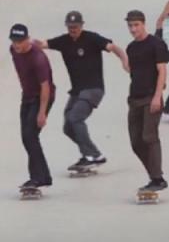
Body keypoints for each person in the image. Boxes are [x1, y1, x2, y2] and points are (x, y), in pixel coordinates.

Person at [35, 11, 129, 170]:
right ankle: (94, 154)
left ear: (82, 25)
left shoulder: (92, 38)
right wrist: (27, 42)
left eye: (76, 27)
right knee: (68, 127)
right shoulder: (63, 41)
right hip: (77, 91)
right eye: (70, 27)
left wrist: (124, 61)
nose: (73, 30)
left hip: (93, 88)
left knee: (75, 118)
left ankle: (90, 156)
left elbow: (114, 48)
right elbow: (42, 44)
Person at [125, 10, 169, 191]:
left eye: (136, 25)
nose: (133, 29)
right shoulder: (131, 48)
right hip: (134, 98)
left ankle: (157, 178)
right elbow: (133, 72)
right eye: (130, 26)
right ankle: (155, 175)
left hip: (152, 97)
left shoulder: (156, 44)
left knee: (149, 137)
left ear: (144, 24)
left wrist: (157, 96)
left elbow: (162, 71)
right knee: (136, 142)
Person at [9, 24, 56, 189]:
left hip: (43, 97)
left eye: (20, 41)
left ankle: (39, 177)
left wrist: (42, 113)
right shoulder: (13, 50)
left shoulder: (38, 58)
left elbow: (45, 87)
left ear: (27, 39)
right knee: (27, 137)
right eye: (14, 41)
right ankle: (42, 176)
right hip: (27, 96)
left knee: (30, 135)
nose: (17, 45)